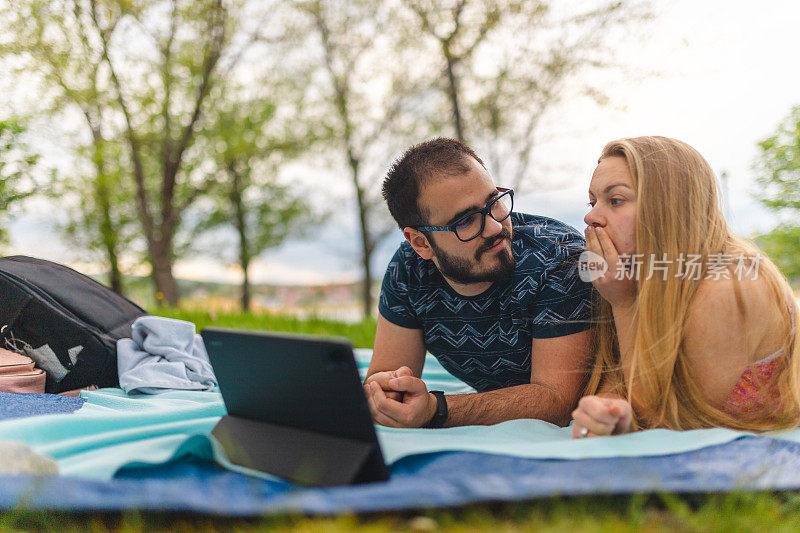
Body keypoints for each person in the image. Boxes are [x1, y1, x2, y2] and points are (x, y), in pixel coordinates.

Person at [571, 136, 800, 438]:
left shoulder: (728, 285)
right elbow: (623, 374)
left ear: (668, 208)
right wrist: (609, 405)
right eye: (592, 201)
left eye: (615, 201)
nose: (590, 217)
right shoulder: (645, 275)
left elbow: (668, 422)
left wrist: (623, 304)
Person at [364, 137, 593, 429]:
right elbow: (385, 377)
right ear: (421, 243)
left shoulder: (559, 260)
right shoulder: (409, 270)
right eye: (466, 221)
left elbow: (557, 401)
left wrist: (436, 409)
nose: (495, 226)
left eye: (493, 202)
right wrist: (386, 393)